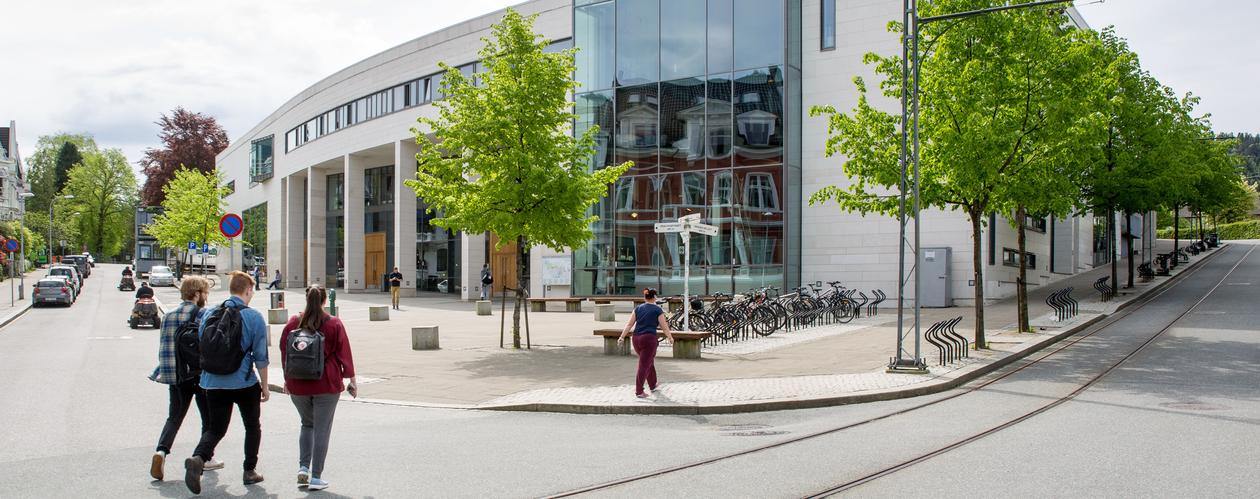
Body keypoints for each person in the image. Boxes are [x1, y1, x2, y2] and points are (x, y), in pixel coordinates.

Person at [184, 271, 271, 494]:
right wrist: (264, 385)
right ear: (248, 290)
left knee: (216, 428)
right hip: (243, 382)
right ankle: (249, 470)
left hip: (212, 381)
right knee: (252, 426)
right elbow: (260, 356)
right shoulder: (253, 317)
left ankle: (198, 458)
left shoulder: (210, 313)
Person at [280, 285, 358, 491]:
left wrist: (287, 379)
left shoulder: (293, 322)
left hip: (297, 382)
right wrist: (351, 379)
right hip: (326, 382)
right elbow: (344, 352)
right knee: (322, 429)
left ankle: (303, 468)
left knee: (307, 424)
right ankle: (316, 476)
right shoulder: (333, 323)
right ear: (324, 301)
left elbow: (284, 350)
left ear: (307, 300)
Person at [149, 276, 222, 480]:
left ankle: (161, 451)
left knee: (174, 417)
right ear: (197, 294)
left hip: (176, 375)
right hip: (198, 374)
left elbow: (165, 348)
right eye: (205, 293)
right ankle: (205, 457)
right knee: (207, 418)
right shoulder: (203, 314)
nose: (206, 297)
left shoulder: (169, 315)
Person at [617, 288, 675, 398]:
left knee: (648, 361)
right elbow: (664, 326)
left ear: (645, 297)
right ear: (654, 297)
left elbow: (629, 325)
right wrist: (670, 337)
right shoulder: (657, 310)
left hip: (636, 338)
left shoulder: (637, 308)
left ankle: (653, 384)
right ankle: (639, 391)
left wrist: (622, 337)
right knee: (644, 365)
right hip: (649, 339)